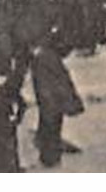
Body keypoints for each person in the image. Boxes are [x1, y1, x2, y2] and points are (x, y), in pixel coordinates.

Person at [30, 33, 83, 168]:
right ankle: (49, 150)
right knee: (51, 99)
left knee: (50, 98)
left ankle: (48, 145)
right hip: (41, 44)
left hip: (44, 44)